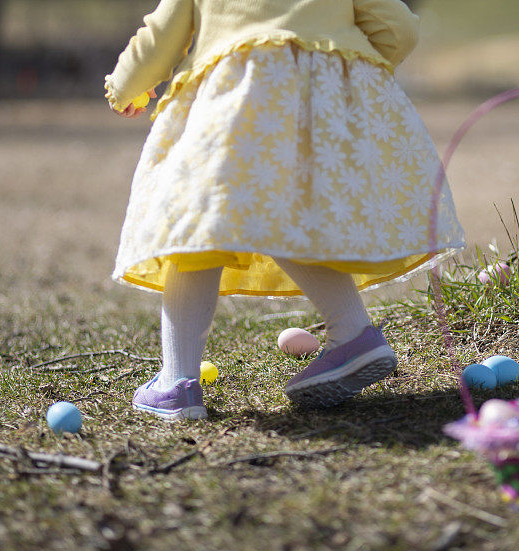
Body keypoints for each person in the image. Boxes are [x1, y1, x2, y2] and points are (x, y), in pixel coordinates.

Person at [106, 0, 465, 420]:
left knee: (197, 228)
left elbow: (160, 36)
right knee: (291, 216)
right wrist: (343, 65)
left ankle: (177, 381)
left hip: (238, 102)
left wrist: (125, 85)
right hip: (327, 105)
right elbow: (398, 29)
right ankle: (352, 333)